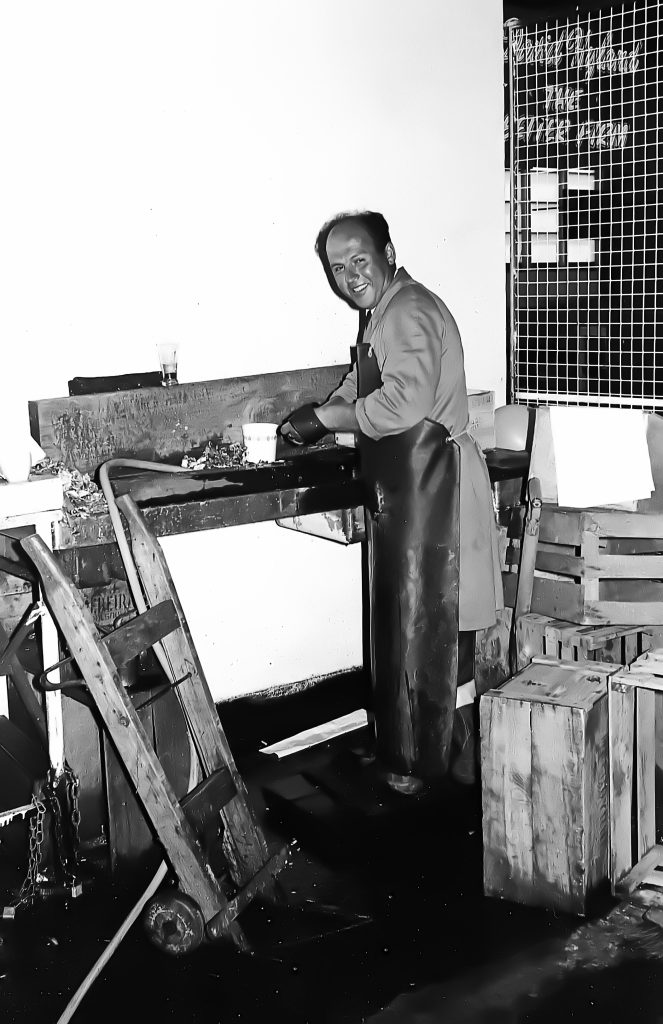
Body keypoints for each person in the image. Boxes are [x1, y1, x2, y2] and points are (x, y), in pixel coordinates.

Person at [281, 211, 502, 791]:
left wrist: (328, 420)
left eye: (359, 259)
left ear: (389, 253)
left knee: (439, 626)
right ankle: (408, 752)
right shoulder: (382, 312)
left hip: (439, 490)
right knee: (408, 624)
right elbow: (365, 385)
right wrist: (321, 416)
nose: (349, 275)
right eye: (337, 267)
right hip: (410, 492)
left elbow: (404, 404)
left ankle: (442, 765)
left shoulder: (409, 310)